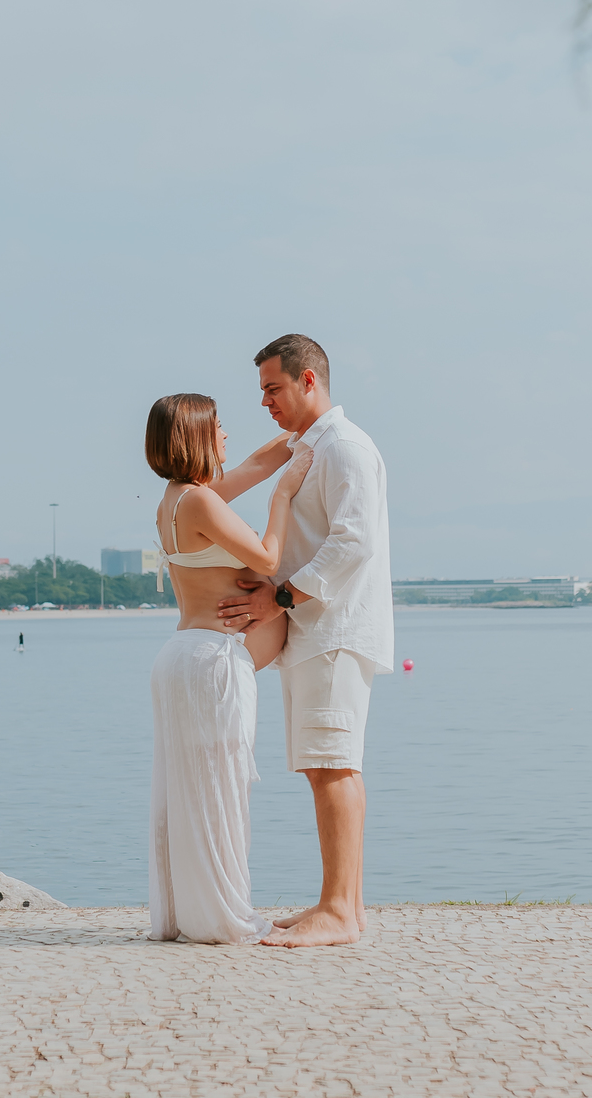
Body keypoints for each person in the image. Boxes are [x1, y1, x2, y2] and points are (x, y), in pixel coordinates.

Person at [217, 334, 392, 947]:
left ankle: (338, 911)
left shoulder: (343, 448)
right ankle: (347, 904)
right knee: (328, 765)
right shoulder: (310, 445)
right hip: (318, 629)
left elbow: (354, 543)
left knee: (331, 764)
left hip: (333, 628)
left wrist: (278, 597)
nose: (265, 401)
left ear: (308, 380)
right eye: (262, 391)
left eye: (273, 388)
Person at [146, 392, 313, 944]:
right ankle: (221, 917)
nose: (225, 436)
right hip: (211, 662)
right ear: (194, 435)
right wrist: (283, 498)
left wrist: (311, 430)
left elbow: (259, 463)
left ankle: (196, 912)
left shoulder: (179, 500)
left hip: (187, 659)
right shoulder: (199, 502)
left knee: (192, 794)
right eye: (216, 427)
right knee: (218, 793)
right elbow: (267, 558)